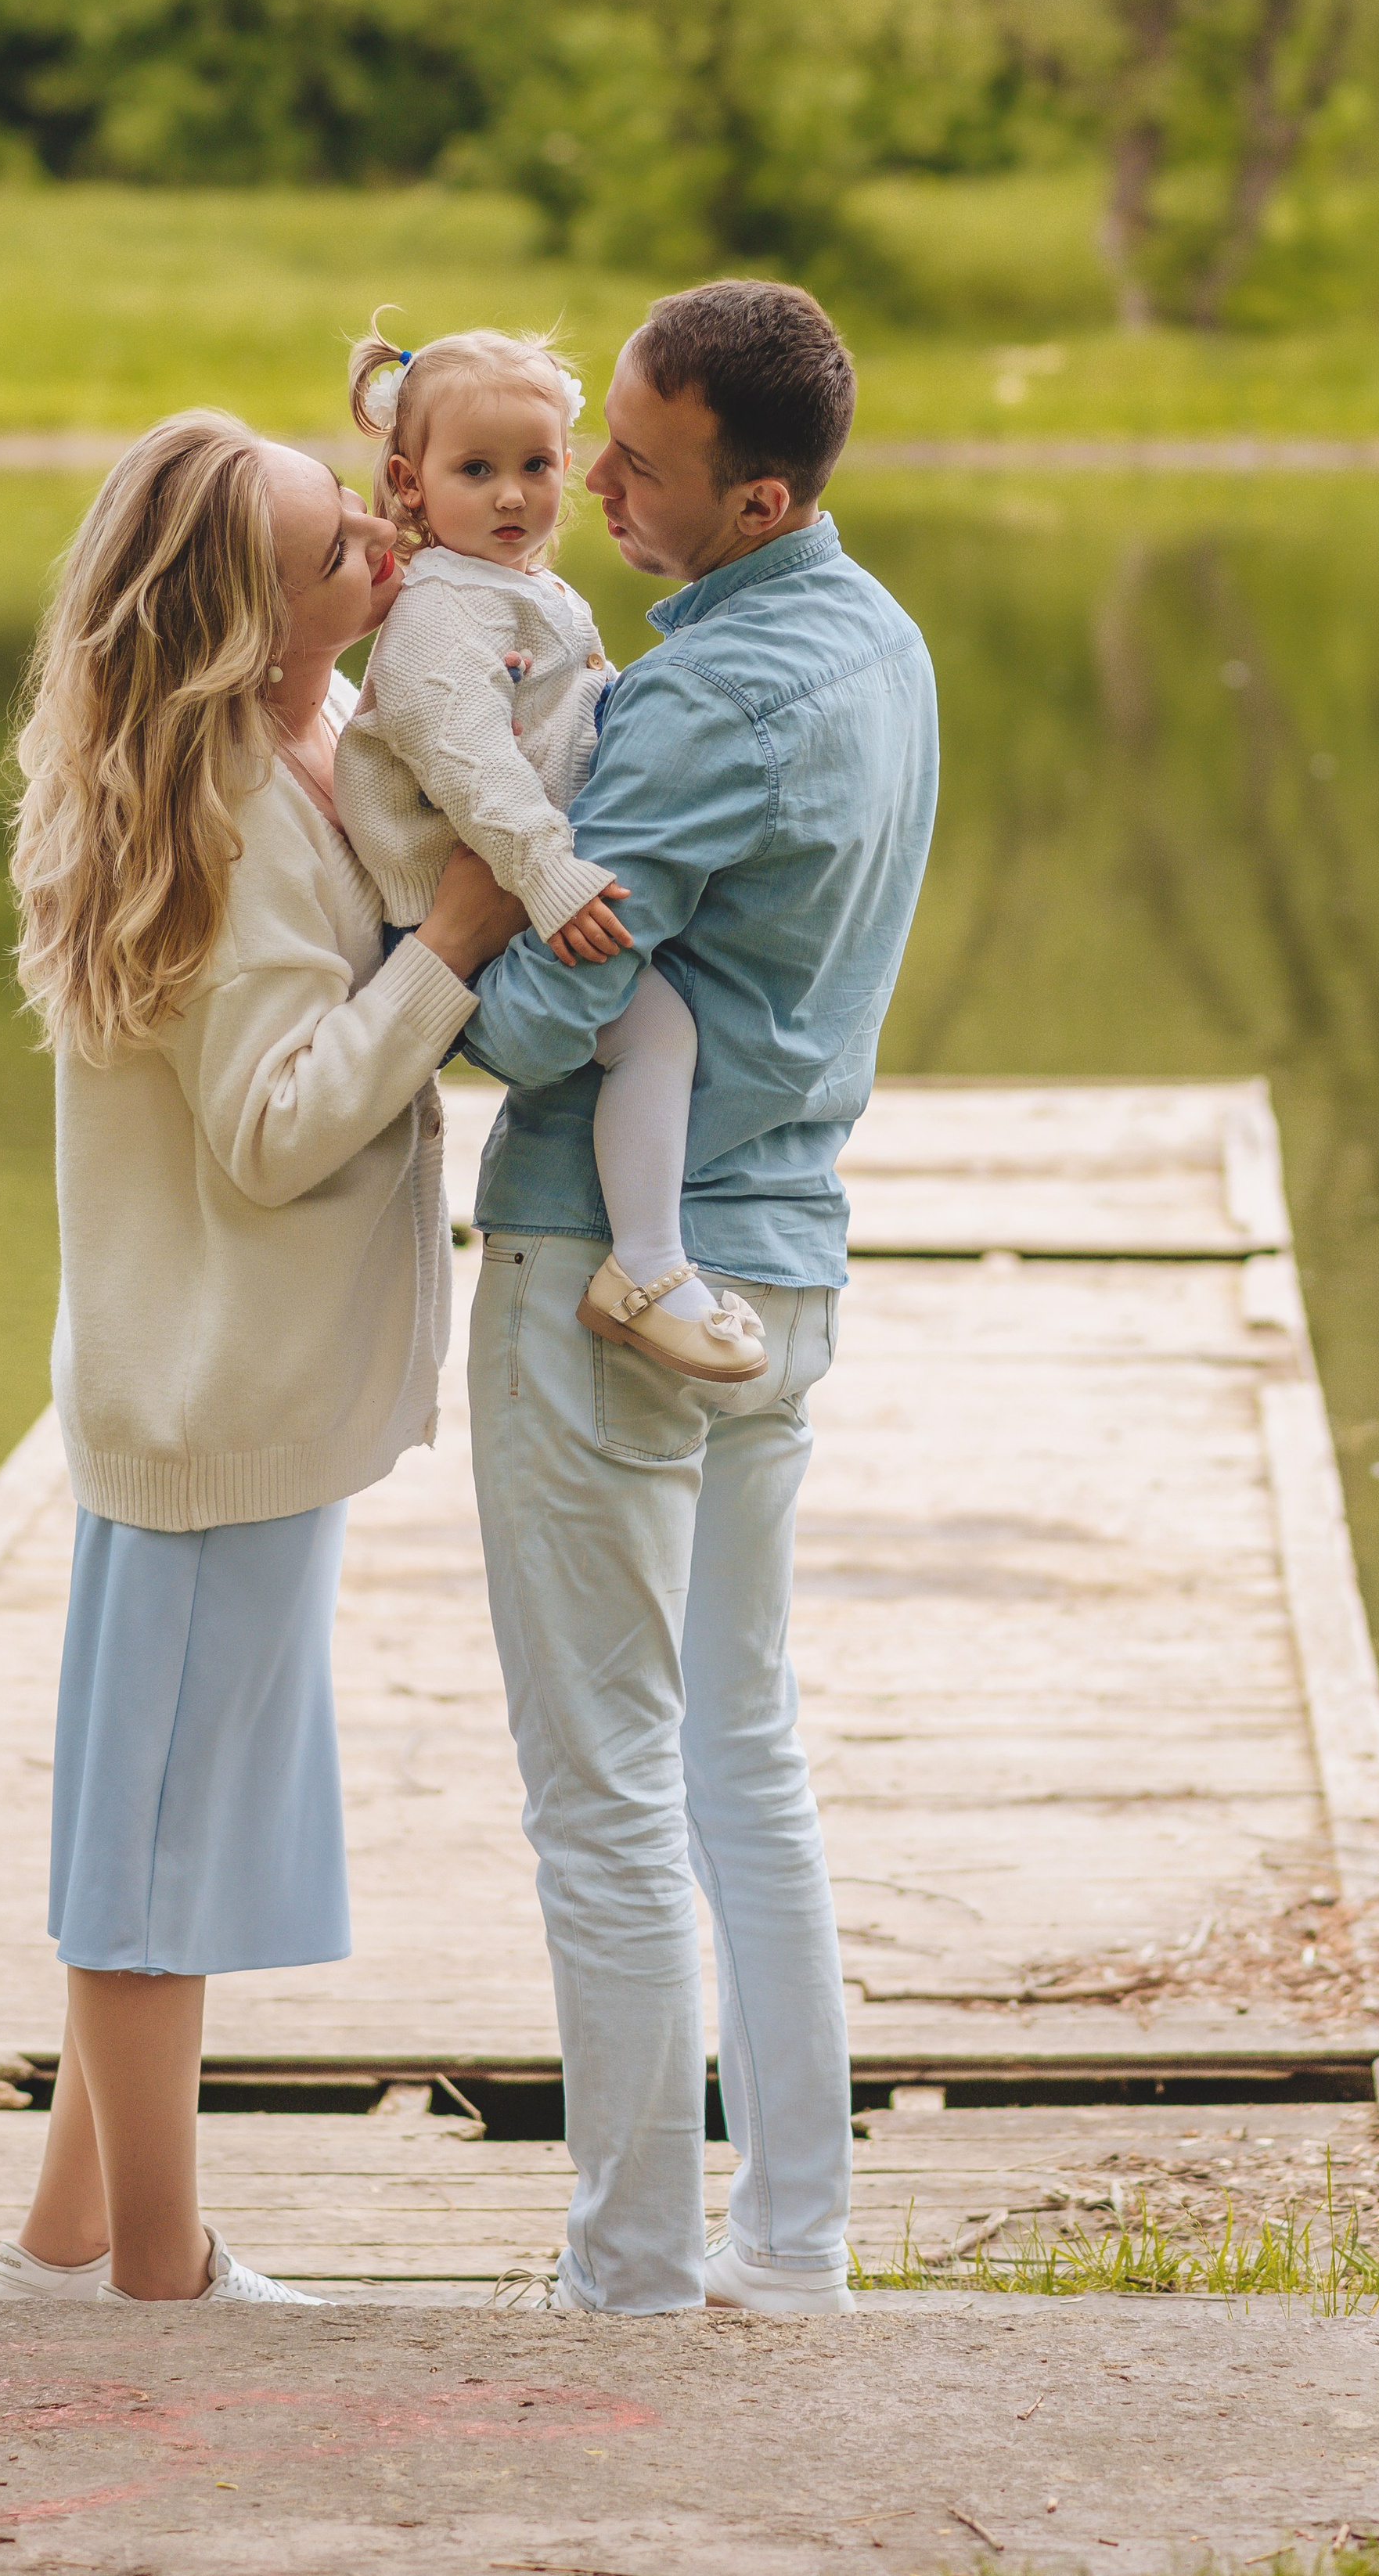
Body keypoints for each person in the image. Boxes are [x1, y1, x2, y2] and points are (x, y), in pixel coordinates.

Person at [0, 410, 520, 2309]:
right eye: (336, 551)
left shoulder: (317, 735)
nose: (383, 547)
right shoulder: (218, 803)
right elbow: (274, 1125)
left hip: (246, 1393)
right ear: (246, 622)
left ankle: (63, 2241)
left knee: (159, 1816)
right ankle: (158, 2279)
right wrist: (445, 947)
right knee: (153, 1869)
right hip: (204, 1408)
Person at [460, 279, 939, 2316]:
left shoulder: (706, 700)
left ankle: (634, 2272)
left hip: (616, 1283)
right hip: (787, 1262)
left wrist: (405, 956)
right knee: (743, 1757)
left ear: (757, 497)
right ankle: (793, 2246)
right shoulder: (879, 638)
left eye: (639, 465)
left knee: (607, 1794)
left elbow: (542, 1014)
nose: (592, 486)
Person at [334, 320, 767, 1386]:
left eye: (535, 466)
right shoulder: (439, 613)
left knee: (666, 1026)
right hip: (462, 902)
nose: (512, 496)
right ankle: (647, 1266)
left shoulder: (523, 588)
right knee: (655, 1033)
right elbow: (470, 763)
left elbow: (574, 701)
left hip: (521, 879)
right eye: (475, 471)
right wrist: (546, 873)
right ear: (411, 483)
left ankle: (659, 1244)